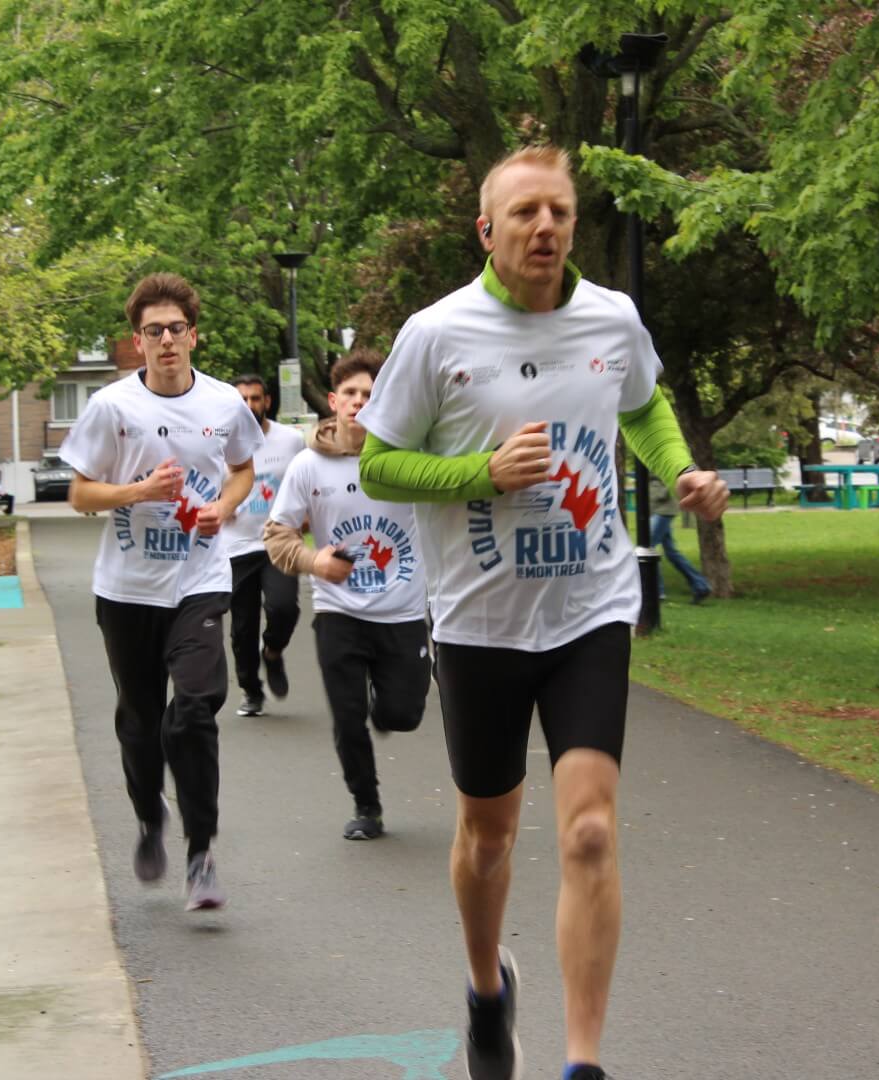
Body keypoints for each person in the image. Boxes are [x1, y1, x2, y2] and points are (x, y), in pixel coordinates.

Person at [356, 145, 730, 1080]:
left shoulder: (612, 318)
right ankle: (487, 988)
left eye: (559, 211)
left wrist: (679, 469)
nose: (545, 227)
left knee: (590, 829)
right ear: (487, 230)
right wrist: (480, 472)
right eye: (524, 212)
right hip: (480, 621)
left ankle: (582, 1062)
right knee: (488, 837)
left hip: (589, 608)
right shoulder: (437, 334)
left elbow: (641, 406)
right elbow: (378, 465)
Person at [59, 272, 262, 911]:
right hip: (127, 590)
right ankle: (150, 813)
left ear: (193, 336)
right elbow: (79, 494)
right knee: (140, 723)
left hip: (199, 582)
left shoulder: (224, 403)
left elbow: (243, 470)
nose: (167, 340)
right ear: (138, 341)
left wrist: (224, 507)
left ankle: (201, 854)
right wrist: (138, 492)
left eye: (176, 329)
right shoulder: (113, 407)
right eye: (154, 331)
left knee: (195, 709)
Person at [263, 350, 430, 841]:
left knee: (403, 714)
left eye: (370, 395)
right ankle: (366, 806)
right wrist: (314, 561)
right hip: (338, 611)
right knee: (347, 716)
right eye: (351, 393)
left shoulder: (408, 459)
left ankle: (388, 706)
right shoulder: (308, 465)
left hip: (402, 612)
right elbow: (277, 535)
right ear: (334, 402)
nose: (359, 402)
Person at [218, 373, 307, 716]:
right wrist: (218, 506)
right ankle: (251, 690)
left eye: (255, 398)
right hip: (236, 545)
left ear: (267, 401)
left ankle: (272, 652)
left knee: (284, 608)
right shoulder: (219, 442)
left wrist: (308, 514)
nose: (249, 405)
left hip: (279, 542)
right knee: (242, 628)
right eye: (242, 399)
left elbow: (305, 481)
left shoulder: (291, 441)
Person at [645, 473, 709, 603]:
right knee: (671, 553)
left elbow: (672, 476)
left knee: (647, 548)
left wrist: (660, 494)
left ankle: (657, 592)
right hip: (657, 509)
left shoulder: (659, 461)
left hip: (663, 509)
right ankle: (700, 586)